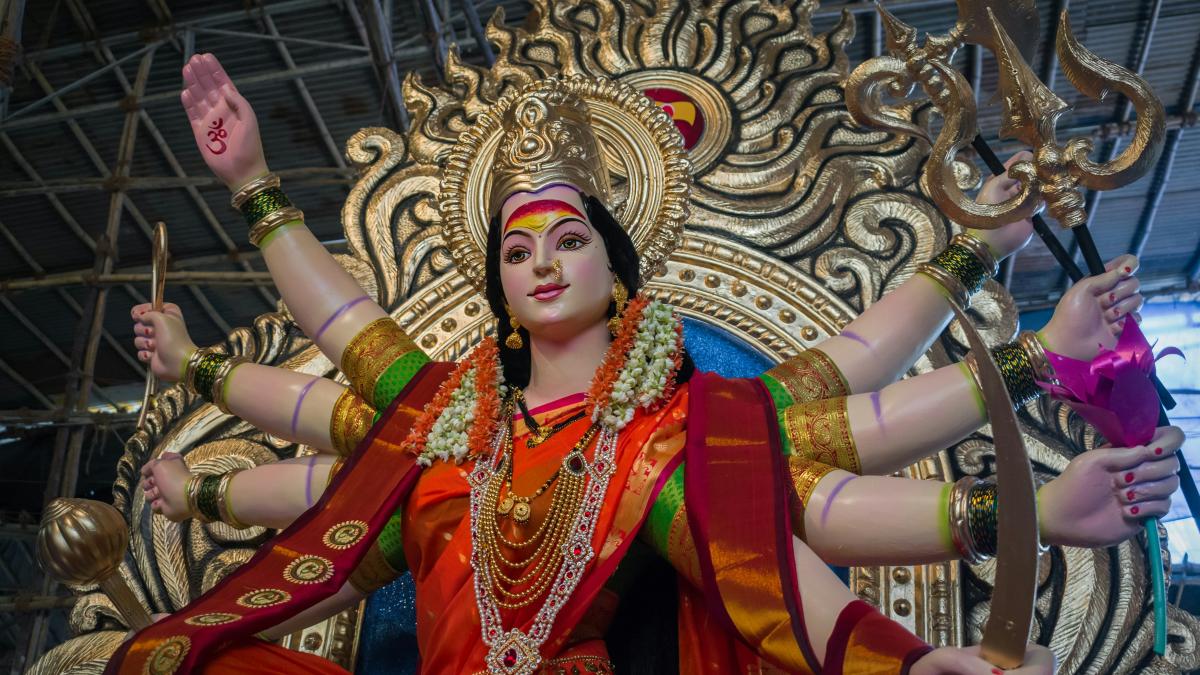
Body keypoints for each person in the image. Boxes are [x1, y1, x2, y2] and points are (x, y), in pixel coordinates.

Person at [113, 54, 1180, 675]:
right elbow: (338, 355)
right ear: (499, 294)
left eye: (569, 241)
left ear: (618, 275)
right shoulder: (438, 422)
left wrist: (1018, 511)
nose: (540, 262)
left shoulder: (669, 436)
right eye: (516, 251)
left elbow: (817, 504)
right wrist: (251, 182)